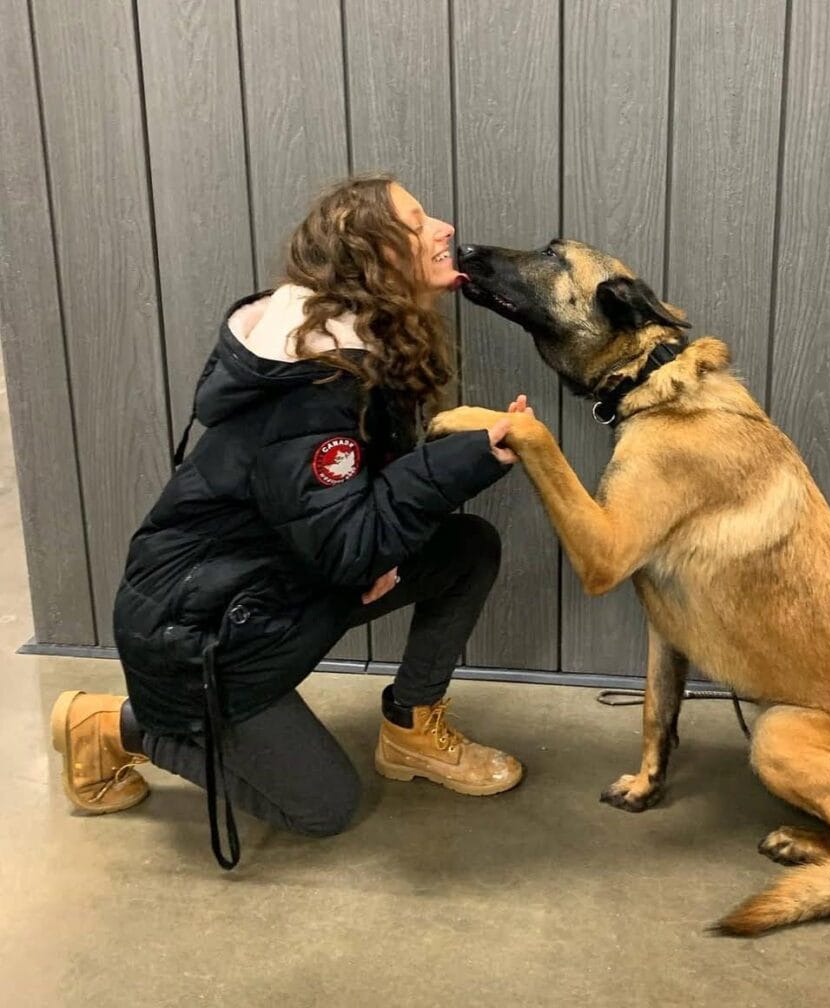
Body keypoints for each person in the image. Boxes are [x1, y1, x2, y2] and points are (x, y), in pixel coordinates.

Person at [50, 173, 529, 868]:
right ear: (371, 258)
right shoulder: (313, 386)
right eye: (417, 222)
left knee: (464, 549)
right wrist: (469, 459)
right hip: (201, 632)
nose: (443, 229)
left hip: (271, 586)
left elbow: (343, 517)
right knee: (324, 808)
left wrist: (442, 476)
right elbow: (348, 545)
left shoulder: (356, 348)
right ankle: (116, 725)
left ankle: (411, 730)